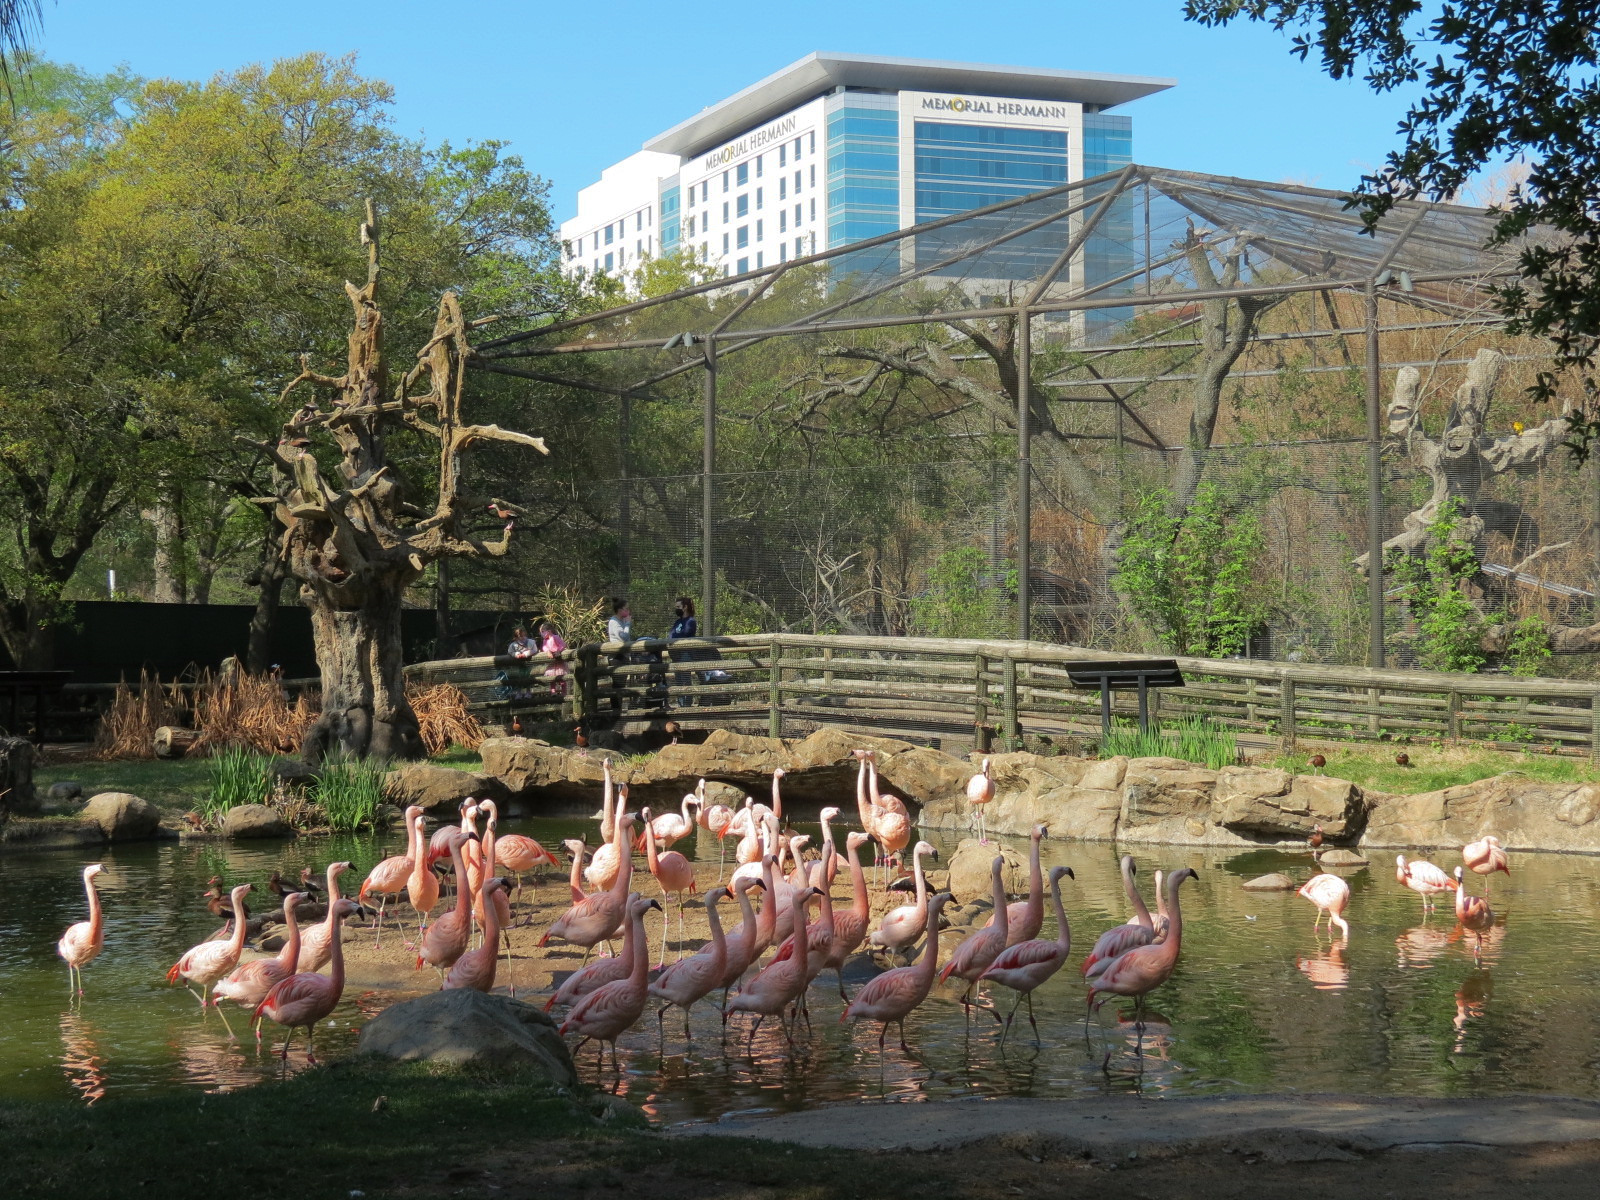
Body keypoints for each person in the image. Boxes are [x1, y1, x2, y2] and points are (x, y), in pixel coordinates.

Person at [539, 621, 568, 698]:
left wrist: (558, 651)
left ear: (549, 631)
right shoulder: (545, 640)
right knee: (552, 677)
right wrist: (548, 651)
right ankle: (553, 691)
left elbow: (563, 644)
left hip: (559, 662)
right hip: (552, 662)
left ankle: (564, 692)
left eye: (542, 631)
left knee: (561, 677)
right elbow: (544, 647)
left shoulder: (555, 637)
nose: (541, 634)